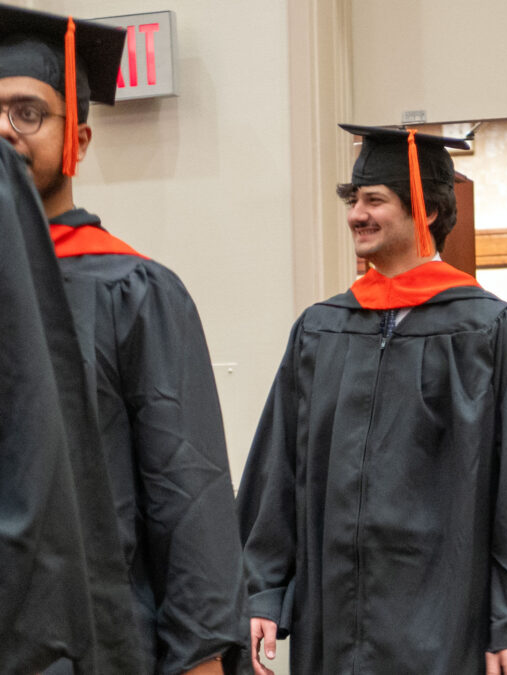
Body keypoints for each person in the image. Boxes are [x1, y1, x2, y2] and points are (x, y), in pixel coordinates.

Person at [237, 124, 507, 675]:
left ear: (427, 210)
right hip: (335, 615)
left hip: (446, 621)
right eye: (353, 200)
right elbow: (279, 468)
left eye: (375, 200)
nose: (356, 215)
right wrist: (262, 590)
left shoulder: (489, 331)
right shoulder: (322, 330)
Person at [0, 7, 245, 673]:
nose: (5, 131)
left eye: (28, 113)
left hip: (98, 644)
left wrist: (200, 657)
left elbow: (186, 489)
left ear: (77, 136)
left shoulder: (133, 290)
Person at [1, 136, 141, 675]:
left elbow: (183, 475)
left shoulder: (135, 286)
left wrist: (202, 642)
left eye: (28, 113)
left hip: (88, 606)